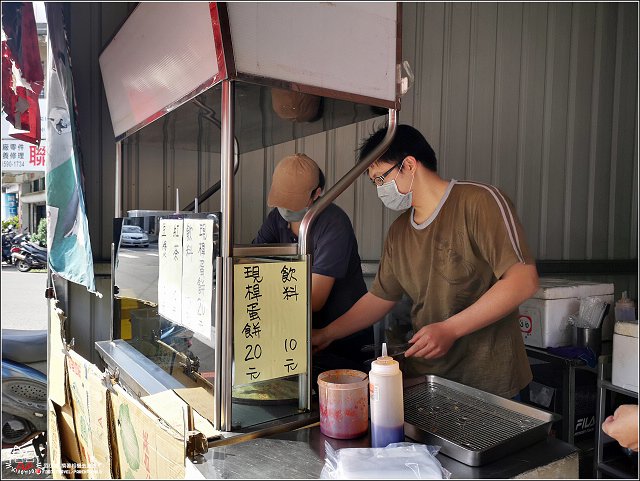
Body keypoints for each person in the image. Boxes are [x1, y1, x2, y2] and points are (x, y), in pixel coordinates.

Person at [312, 124, 540, 398]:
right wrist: (327, 334)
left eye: (380, 179)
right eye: (375, 183)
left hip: (488, 382)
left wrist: (450, 329)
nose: (379, 190)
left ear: (408, 165)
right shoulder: (399, 232)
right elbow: (380, 298)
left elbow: (522, 281)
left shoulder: (480, 202)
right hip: (429, 380)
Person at [253, 153, 373, 374]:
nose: (286, 209)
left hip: (340, 338)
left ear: (317, 194)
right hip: (296, 335)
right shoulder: (276, 219)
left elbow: (314, 298)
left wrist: (259, 300)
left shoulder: (333, 224)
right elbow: (251, 266)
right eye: (281, 201)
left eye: (293, 202)